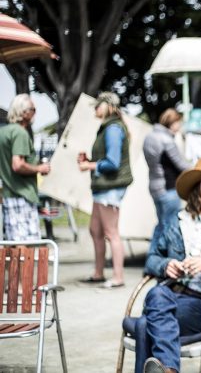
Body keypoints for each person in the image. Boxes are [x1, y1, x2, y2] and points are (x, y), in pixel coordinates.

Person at [127, 157, 201, 373]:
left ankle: (169, 370)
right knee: (154, 304)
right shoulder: (178, 221)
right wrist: (166, 265)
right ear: (197, 193)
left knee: (145, 321)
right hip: (170, 298)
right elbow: (152, 259)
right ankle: (169, 370)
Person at [77, 92, 132, 289]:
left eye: (97, 105)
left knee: (111, 233)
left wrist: (89, 166)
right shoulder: (108, 127)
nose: (95, 109)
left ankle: (118, 277)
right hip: (103, 188)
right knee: (95, 230)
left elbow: (113, 163)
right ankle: (98, 273)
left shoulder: (113, 128)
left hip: (110, 187)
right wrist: (90, 162)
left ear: (107, 106)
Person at [0, 94, 50, 240]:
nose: (35, 112)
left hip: (10, 194)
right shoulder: (20, 133)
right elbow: (18, 164)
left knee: (15, 245)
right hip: (22, 194)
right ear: (22, 112)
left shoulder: (4, 132)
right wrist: (40, 169)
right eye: (32, 109)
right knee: (26, 245)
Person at [143, 108, 190, 238]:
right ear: (173, 122)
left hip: (154, 186)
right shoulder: (167, 140)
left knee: (161, 224)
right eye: (179, 123)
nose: (180, 126)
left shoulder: (149, 136)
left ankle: (155, 254)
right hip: (168, 188)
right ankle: (168, 256)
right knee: (171, 226)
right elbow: (181, 165)